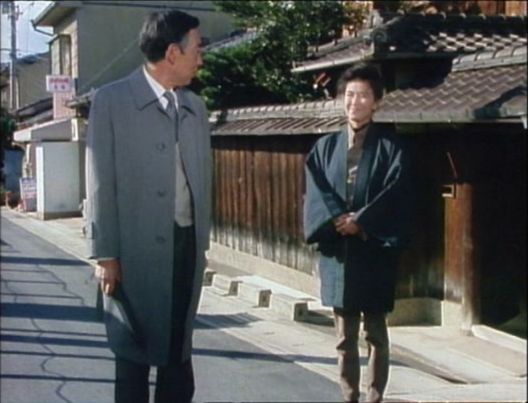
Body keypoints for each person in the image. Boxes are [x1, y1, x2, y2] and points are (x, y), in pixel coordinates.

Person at [85, 9, 211, 403]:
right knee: (132, 357)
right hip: (131, 252)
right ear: (173, 53)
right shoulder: (111, 100)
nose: (201, 58)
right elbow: (99, 181)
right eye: (197, 48)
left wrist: (202, 243)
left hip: (185, 245)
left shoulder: (195, 107)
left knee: (178, 353)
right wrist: (105, 254)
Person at [303, 63, 412, 403]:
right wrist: (337, 218)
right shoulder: (325, 147)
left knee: (376, 332)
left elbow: (396, 191)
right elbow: (316, 188)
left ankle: (374, 396)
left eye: (363, 95)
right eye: (349, 95)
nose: (355, 102)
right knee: (343, 335)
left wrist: (362, 221)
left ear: (376, 101)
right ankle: (348, 395)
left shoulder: (392, 148)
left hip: (373, 247)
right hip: (339, 248)